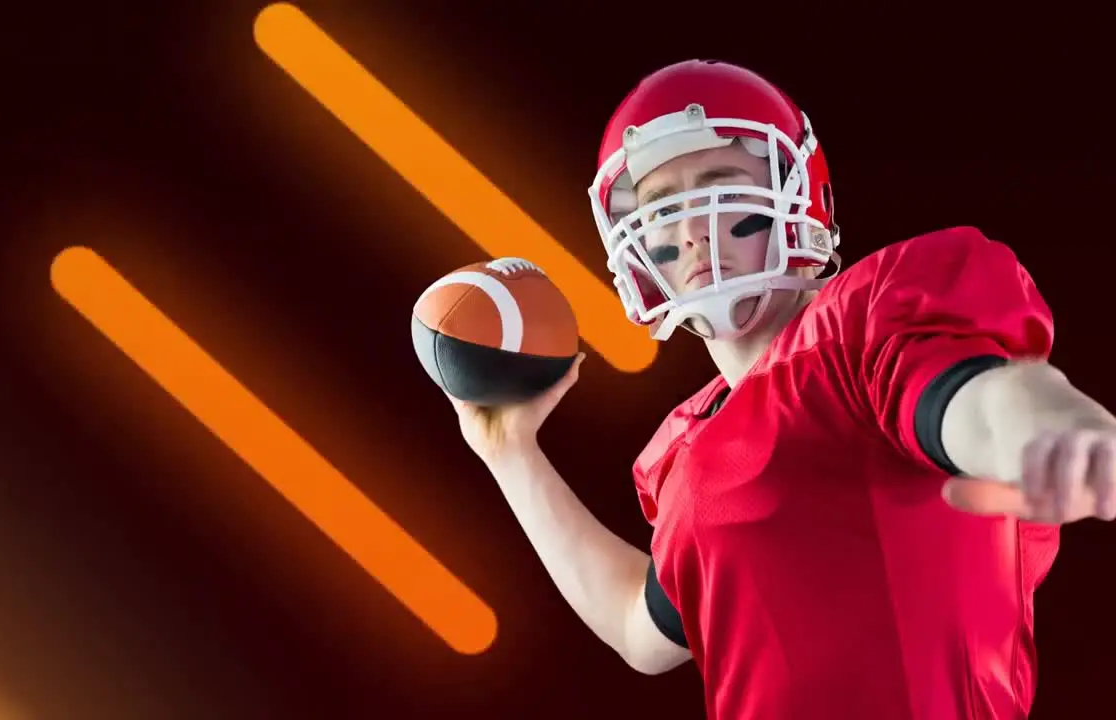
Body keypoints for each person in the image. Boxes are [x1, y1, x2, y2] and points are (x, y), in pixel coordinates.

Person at [446, 59, 1116, 720]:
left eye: (720, 188)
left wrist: (1049, 431)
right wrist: (511, 456)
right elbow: (638, 631)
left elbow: (976, 399)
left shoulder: (866, 325)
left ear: (802, 198)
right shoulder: (687, 448)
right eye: (662, 209)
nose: (692, 230)